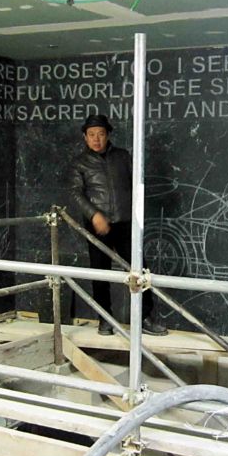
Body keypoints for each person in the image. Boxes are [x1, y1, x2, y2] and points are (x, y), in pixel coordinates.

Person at [68, 114, 167, 336]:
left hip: (125, 222)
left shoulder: (123, 157)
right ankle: (104, 319)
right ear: (85, 138)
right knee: (101, 274)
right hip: (97, 227)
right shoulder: (80, 163)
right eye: (91, 135)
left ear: (108, 135)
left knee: (138, 271)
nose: (96, 139)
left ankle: (144, 318)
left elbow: (136, 184)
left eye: (100, 134)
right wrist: (94, 215)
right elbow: (76, 193)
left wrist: (137, 215)